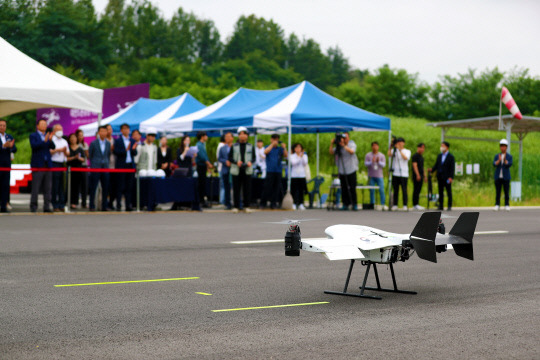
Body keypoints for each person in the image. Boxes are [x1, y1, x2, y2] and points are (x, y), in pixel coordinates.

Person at [29, 119, 56, 212]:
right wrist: (44, 141)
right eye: (42, 124)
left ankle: (47, 206)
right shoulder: (33, 135)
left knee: (48, 188)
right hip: (38, 165)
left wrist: (50, 140)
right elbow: (34, 146)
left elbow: (53, 147)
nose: (44, 126)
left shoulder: (47, 136)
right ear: (38, 126)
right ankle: (33, 206)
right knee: (36, 187)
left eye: (45, 124)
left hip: (47, 164)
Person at [329, 132, 358, 210]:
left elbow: (352, 152)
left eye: (346, 137)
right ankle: (345, 204)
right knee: (344, 188)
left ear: (348, 138)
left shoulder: (351, 144)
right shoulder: (339, 146)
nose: (344, 139)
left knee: (352, 188)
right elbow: (331, 152)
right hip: (342, 170)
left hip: (351, 169)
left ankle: (354, 204)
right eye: (343, 137)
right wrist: (332, 144)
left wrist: (344, 145)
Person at [229, 127, 255, 211]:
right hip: (237, 169)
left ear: (247, 136)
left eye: (244, 134)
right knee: (236, 188)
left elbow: (254, 158)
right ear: (238, 136)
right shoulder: (234, 146)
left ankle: (246, 206)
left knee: (247, 188)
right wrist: (236, 162)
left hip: (247, 169)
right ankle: (236, 206)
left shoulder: (250, 146)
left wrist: (250, 162)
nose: (242, 136)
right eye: (240, 134)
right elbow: (230, 158)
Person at [114, 123, 138, 211]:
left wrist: (133, 149)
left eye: (127, 129)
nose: (126, 130)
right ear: (121, 131)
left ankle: (128, 205)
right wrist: (126, 150)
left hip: (130, 166)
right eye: (124, 129)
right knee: (120, 186)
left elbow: (135, 154)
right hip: (121, 166)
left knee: (129, 186)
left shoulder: (132, 140)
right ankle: (118, 205)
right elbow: (116, 152)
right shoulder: (118, 141)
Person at [88, 125, 111, 211]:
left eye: (105, 131)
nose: (103, 133)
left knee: (105, 188)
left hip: (105, 167)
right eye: (101, 131)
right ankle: (91, 205)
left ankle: (104, 206)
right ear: (98, 133)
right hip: (95, 167)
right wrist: (94, 163)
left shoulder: (108, 143)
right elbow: (90, 155)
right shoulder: (93, 143)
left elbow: (108, 155)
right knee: (93, 187)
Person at [263, 134, 288, 209]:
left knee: (276, 188)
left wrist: (284, 148)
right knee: (267, 187)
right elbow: (265, 152)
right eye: (274, 139)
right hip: (270, 170)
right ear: (271, 139)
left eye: (276, 139)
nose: (275, 141)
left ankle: (273, 203)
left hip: (278, 171)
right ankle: (263, 203)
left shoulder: (280, 149)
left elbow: (286, 156)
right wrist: (272, 144)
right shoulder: (268, 147)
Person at [429, 141, 455, 211]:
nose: (441, 147)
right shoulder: (439, 156)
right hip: (440, 176)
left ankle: (449, 205)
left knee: (448, 191)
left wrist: (451, 177)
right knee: (440, 191)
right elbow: (436, 165)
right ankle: (441, 205)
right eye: (441, 146)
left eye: (443, 146)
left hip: (447, 177)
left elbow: (452, 168)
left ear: (447, 147)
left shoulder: (451, 157)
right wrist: (432, 170)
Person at [50, 124, 69, 211]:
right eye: (58, 129)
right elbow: (50, 151)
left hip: (62, 164)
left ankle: (62, 204)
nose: (60, 131)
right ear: (54, 131)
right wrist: (58, 150)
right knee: (55, 185)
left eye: (61, 129)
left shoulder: (64, 141)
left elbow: (67, 153)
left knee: (62, 185)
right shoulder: (51, 140)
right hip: (54, 163)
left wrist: (64, 151)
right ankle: (54, 204)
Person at [388, 137, 410, 211]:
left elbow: (405, 158)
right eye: (398, 142)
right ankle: (395, 204)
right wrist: (391, 146)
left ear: (404, 143)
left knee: (404, 189)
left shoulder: (407, 151)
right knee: (395, 189)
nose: (400, 143)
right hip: (395, 173)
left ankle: (405, 204)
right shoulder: (394, 150)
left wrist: (400, 149)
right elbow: (389, 154)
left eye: (401, 142)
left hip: (404, 174)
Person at [0, 119, 17, 213]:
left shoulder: (9, 136)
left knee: (5, 186)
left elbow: (15, 149)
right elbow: (3, 146)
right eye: (0, 125)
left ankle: (4, 206)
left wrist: (10, 146)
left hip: (6, 165)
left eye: (4, 125)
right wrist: (3, 146)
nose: (2, 127)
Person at [364, 141, 386, 210]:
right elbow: (366, 164)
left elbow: (384, 165)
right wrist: (372, 162)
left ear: (378, 147)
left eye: (376, 146)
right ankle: (372, 204)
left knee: (381, 190)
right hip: (371, 175)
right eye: (373, 146)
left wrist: (378, 162)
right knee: (371, 190)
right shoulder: (368, 155)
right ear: (371, 147)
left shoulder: (381, 155)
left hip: (379, 175)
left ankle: (383, 204)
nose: (375, 147)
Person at [66, 133, 86, 209]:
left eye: (74, 138)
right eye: (71, 138)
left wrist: (78, 158)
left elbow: (83, 159)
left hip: (78, 168)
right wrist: (74, 157)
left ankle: (75, 201)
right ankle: (68, 201)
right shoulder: (68, 148)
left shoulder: (80, 148)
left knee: (77, 186)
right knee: (69, 186)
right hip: (70, 169)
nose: (73, 139)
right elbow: (66, 159)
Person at [493, 139, 513, 211]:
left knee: (506, 191)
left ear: (506, 147)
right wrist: (499, 160)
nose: (502, 147)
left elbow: (509, 164)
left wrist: (504, 160)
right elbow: (494, 164)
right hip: (498, 177)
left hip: (506, 177)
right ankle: (497, 204)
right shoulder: (497, 156)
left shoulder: (509, 156)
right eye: (501, 146)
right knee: (498, 192)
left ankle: (507, 204)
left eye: (504, 146)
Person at [195, 131, 214, 208]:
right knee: (201, 184)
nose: (207, 137)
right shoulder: (199, 145)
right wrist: (209, 164)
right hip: (200, 166)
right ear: (202, 136)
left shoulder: (202, 145)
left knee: (203, 183)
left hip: (203, 166)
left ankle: (202, 200)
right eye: (206, 135)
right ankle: (201, 201)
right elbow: (203, 157)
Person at [218, 132, 234, 210]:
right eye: (226, 137)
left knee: (235, 187)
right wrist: (225, 161)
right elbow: (219, 158)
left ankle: (237, 202)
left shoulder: (235, 147)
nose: (227, 138)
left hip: (234, 169)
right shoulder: (222, 148)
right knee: (226, 187)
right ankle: (227, 203)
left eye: (228, 137)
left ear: (232, 138)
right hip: (225, 170)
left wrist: (232, 162)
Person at [290, 143, 308, 210]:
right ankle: (294, 203)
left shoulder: (304, 156)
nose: (298, 149)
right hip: (294, 175)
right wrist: (299, 157)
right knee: (294, 190)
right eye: (296, 148)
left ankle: (301, 203)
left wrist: (302, 156)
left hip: (302, 175)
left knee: (301, 190)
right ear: (294, 149)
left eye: (299, 147)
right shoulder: (292, 156)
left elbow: (305, 163)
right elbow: (294, 163)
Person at [75, 129, 89, 208]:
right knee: (77, 185)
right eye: (79, 135)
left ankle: (84, 202)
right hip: (77, 166)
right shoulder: (75, 145)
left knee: (85, 185)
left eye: (82, 135)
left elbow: (87, 156)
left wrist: (86, 152)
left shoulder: (85, 144)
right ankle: (75, 201)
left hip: (84, 165)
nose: (81, 137)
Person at [411, 143, 426, 210]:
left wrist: (425, 175)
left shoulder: (421, 157)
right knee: (416, 189)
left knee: (419, 189)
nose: (423, 149)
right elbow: (415, 166)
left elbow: (422, 167)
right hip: (416, 175)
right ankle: (415, 204)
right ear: (418, 148)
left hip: (421, 175)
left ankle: (417, 203)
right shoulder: (415, 156)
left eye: (423, 148)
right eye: (421, 148)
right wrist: (417, 174)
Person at [105, 124, 116, 210]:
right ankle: (104, 204)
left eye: (110, 129)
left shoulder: (115, 141)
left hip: (114, 166)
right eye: (108, 129)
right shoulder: (103, 141)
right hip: (105, 166)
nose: (110, 131)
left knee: (113, 187)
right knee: (106, 186)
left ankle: (111, 203)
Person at [216, 135, 226, 204]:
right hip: (222, 168)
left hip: (221, 167)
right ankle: (222, 200)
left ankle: (222, 200)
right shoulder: (222, 146)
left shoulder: (220, 146)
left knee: (222, 185)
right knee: (223, 185)